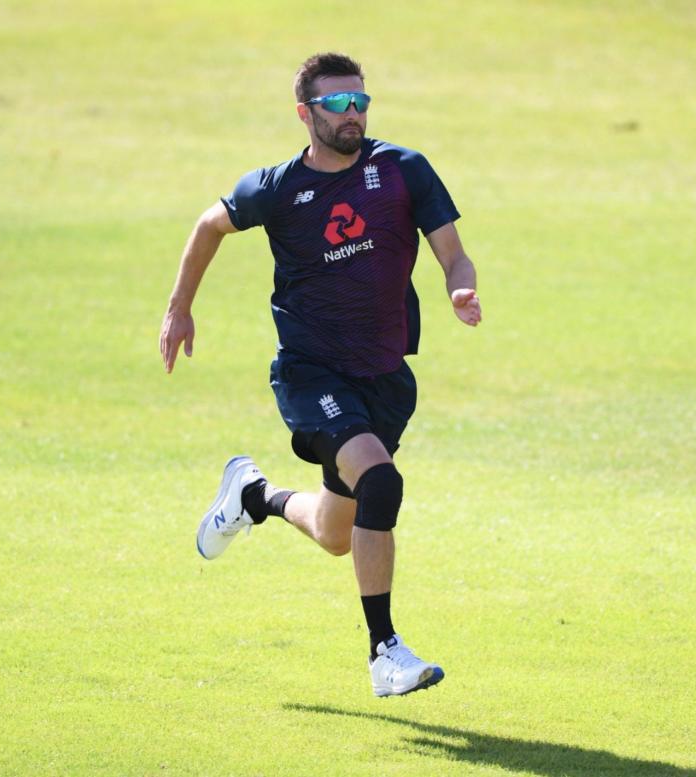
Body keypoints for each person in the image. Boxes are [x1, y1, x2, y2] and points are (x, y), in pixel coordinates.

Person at [159, 52, 481, 697]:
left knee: (338, 532)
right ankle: (384, 652)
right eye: (337, 104)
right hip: (313, 373)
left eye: (360, 100)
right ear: (306, 114)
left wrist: (459, 290)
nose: (353, 113)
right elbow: (208, 224)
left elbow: (453, 253)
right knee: (382, 483)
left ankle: (255, 497)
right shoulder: (276, 188)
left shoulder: (403, 170)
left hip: (385, 377)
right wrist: (179, 308)